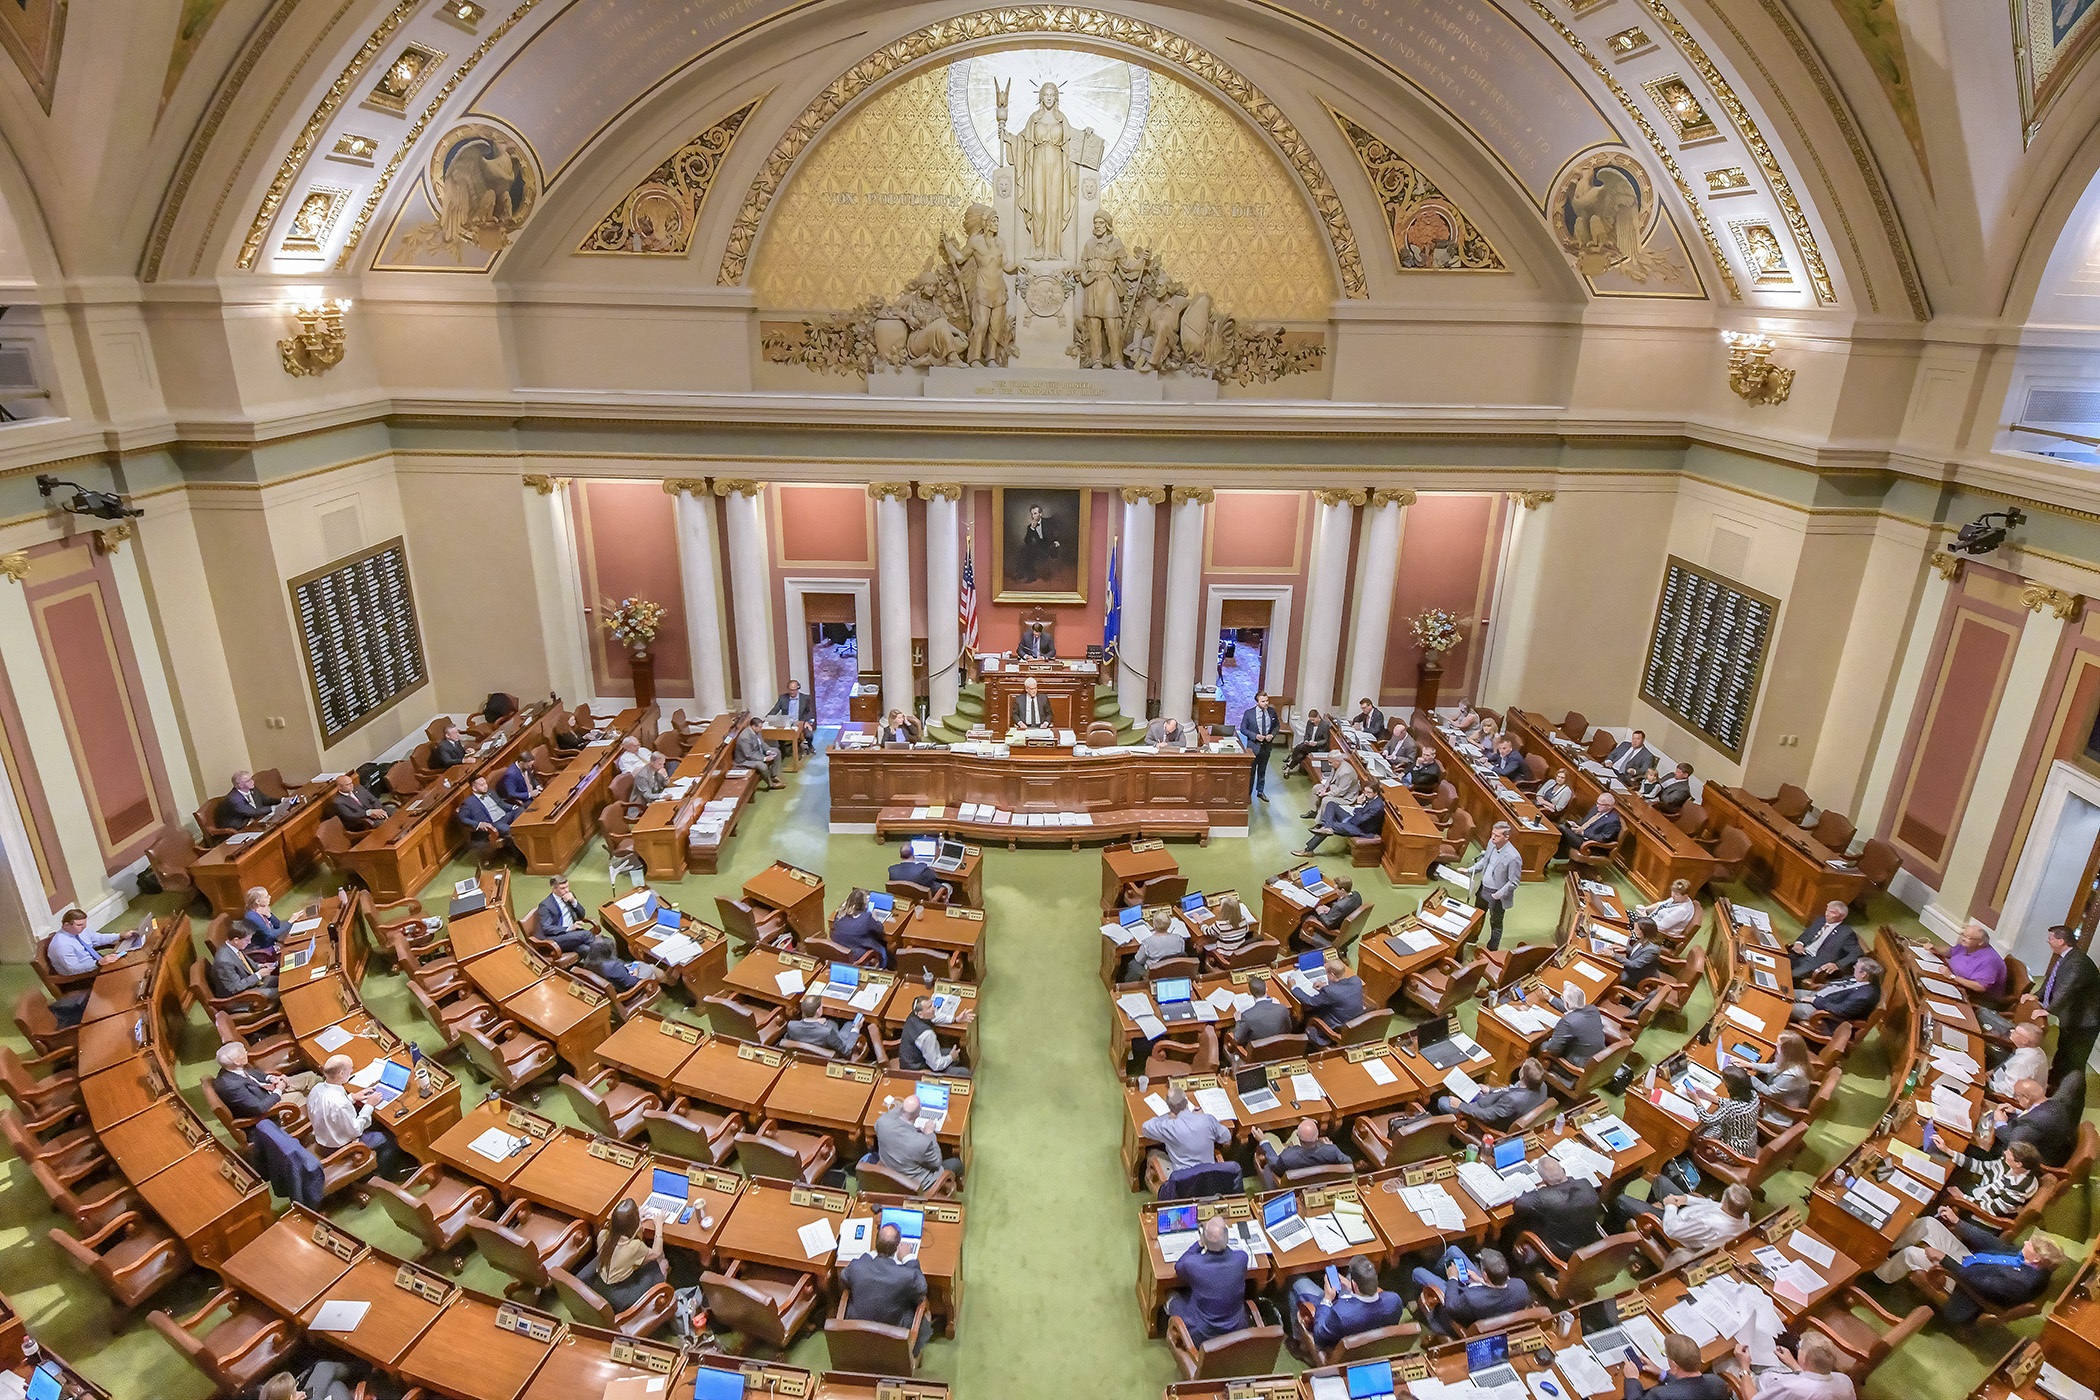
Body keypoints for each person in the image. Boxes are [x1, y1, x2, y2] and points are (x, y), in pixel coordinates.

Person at [1870, 1215, 2063, 1323]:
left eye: (2031, 1245)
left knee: (1912, 1254)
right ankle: (1885, 1247)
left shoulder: (2020, 1283)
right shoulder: (2031, 1262)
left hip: (1962, 1287)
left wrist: (1943, 1259)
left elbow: (1976, 1284)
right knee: (1929, 1223)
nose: (2027, 1242)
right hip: (1970, 1262)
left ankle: (1878, 1277)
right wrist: (1958, 1222)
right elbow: (1995, 1244)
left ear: (2037, 1259)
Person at [1659, 1069, 1758, 1195]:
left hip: (1734, 1151)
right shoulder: (1753, 1095)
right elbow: (1733, 1103)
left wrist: (1697, 1100)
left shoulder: (1731, 1108)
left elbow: (1709, 1119)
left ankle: (1686, 1157)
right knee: (1714, 1127)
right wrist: (1706, 1095)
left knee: (1698, 1135)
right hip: (1749, 1142)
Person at [1610, 1184, 1754, 1267]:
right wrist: (1686, 1199)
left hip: (1674, 1227)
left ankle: (1612, 1237)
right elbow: (1711, 1205)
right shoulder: (1742, 1215)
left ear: (1724, 1200)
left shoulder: (1710, 1224)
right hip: (1687, 1213)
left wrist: (1671, 1206)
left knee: (1622, 1201)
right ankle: (1649, 1208)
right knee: (1660, 1181)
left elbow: (1672, 1230)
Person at [842, 1222, 931, 1354]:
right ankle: (915, 1351)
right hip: (893, 1339)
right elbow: (921, 1288)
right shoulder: (906, 1275)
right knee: (924, 1306)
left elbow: (844, 1278)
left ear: (876, 1243)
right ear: (897, 1248)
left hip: (857, 1334)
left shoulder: (857, 1266)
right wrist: (908, 1258)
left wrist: (868, 1257)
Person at [1292, 1254, 1403, 1354]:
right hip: (1373, 1340)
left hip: (1338, 1338)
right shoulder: (1394, 1300)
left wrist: (1327, 1298)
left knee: (1297, 1281)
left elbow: (1320, 1334)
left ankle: (1300, 1342)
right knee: (1354, 1269)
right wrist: (1351, 1289)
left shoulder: (1340, 1315)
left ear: (1354, 1285)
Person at [1412, 1245, 1530, 1337]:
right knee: (1454, 1251)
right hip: (1483, 1294)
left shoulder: (1471, 1299)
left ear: (1485, 1274)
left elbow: (1451, 1305)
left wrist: (1452, 1278)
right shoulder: (1521, 1286)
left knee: (1418, 1272)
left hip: (1461, 1303)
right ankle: (1437, 1272)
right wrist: (1480, 1281)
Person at [1168, 1215, 1250, 1343]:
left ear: (1204, 1239)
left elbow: (1179, 1267)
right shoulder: (1241, 1258)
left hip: (1202, 1335)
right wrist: (1220, 1242)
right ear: (1227, 1238)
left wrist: (1200, 1243)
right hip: (1236, 1330)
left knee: (1172, 1295)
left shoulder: (1193, 1264)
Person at [307, 1054, 396, 1167]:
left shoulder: (317, 1089)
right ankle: (381, 1172)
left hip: (323, 1140)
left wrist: (353, 1097)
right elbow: (356, 1130)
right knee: (388, 1137)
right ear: (341, 1073)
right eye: (350, 1069)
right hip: (340, 1147)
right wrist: (369, 1105)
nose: (352, 1071)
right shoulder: (341, 1104)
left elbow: (329, 1110)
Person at [581, 1198, 668, 1312]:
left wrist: (634, 1220)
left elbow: (623, 1238)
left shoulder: (603, 1234)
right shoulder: (634, 1246)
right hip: (620, 1298)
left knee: (643, 1261)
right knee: (663, 1263)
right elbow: (656, 1252)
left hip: (600, 1287)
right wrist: (659, 1225)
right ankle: (660, 1302)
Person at [1509, 1156, 1603, 1261]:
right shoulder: (1585, 1184)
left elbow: (1519, 1204)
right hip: (1587, 1243)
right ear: (1564, 1170)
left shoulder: (1543, 1197)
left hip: (1559, 1253)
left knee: (1519, 1223)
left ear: (1543, 1180)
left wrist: (1540, 1189)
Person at [2040, 923, 2100, 1088]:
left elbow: (2066, 988)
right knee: (2063, 1053)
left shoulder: (2078, 962)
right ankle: (2053, 1083)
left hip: (2084, 1022)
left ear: (2061, 941)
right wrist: (2036, 997)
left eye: (2051, 938)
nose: (2048, 941)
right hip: (2073, 1018)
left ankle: (2066, 1092)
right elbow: (2051, 982)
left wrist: (2047, 1010)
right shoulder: (2067, 958)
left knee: (2074, 1060)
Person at [1968, 1078, 2077, 1168]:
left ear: (2026, 1098)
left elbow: (2013, 1143)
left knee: (1968, 1144)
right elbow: (2035, 1116)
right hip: (2050, 1147)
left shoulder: (2032, 1122)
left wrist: (2000, 1122)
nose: (2015, 1098)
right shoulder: (2055, 1103)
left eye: (2017, 1096)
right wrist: (2017, 1112)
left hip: (2025, 1160)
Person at [1452, 820, 1522, 951]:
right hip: (1483, 888)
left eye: (1497, 835)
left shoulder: (1513, 857)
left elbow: (1513, 882)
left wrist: (1497, 895)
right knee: (1478, 915)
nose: (1493, 837)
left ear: (1506, 837)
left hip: (1497, 895)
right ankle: (1473, 938)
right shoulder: (1491, 843)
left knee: (1495, 923)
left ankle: (1492, 950)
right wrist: (1469, 870)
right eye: (1492, 834)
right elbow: (1485, 862)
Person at [868, 1093, 964, 1188]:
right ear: (919, 1113)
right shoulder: (922, 1142)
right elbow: (936, 1163)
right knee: (956, 1163)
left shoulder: (881, 1123)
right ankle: (958, 1186)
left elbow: (891, 1120)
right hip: (917, 1185)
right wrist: (929, 1133)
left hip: (891, 1173)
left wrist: (912, 1127)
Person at [1728, 1333, 1855, 1400]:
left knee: (1725, 1363)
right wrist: (1793, 1364)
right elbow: (1815, 1380)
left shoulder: (1790, 1388)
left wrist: (1744, 1367)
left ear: (1804, 1358)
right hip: (1783, 1380)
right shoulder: (1844, 1381)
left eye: (1800, 1348)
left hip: (1762, 1390)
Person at [1141, 1085, 1230, 1176]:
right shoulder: (1207, 1119)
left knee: (1152, 1152)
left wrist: (1168, 1116)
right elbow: (1226, 1137)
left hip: (1184, 1181)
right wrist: (1200, 1116)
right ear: (1187, 1100)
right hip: (1209, 1178)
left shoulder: (1170, 1126)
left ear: (1169, 1107)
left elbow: (1145, 1128)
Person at [1437, 1057, 1548, 1128]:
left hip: (1486, 1118)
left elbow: (1487, 1116)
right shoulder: (1542, 1086)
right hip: (1495, 1104)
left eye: (1522, 1067)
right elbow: (1512, 1090)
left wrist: (1460, 1105)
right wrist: (1490, 1090)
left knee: (1443, 1101)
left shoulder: (1512, 1100)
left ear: (1522, 1075)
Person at [1949, 1140, 2045, 1222]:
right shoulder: (2007, 1163)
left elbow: (1993, 1209)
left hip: (1987, 1214)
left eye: (2009, 1153)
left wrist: (1963, 1197)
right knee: (1954, 1177)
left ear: (2019, 1164)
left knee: (1946, 1191)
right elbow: (1982, 1167)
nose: (2005, 1152)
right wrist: (1949, 1151)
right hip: (1982, 1192)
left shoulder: (2021, 1188)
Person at [214, 1041, 317, 1117]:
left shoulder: (229, 1069)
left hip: (267, 1088)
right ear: (237, 1061)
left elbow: (253, 1074)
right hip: (270, 1108)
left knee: (310, 1077)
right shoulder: (232, 1087)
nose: (246, 1052)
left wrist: (272, 1078)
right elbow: (260, 1108)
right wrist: (279, 1090)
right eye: (243, 1052)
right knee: (303, 1096)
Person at [1736, 1031, 1813, 1128]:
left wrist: (1748, 1077)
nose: (1776, 1049)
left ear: (1788, 1053)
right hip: (1781, 1098)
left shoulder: (1792, 1075)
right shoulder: (1797, 1060)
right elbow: (1775, 1067)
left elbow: (1769, 1092)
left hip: (1778, 1112)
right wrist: (1751, 1065)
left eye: (1779, 1048)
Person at [1621, 1332, 1728, 1400]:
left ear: (1674, 1364)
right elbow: (1687, 1386)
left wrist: (1632, 1379)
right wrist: (1662, 1374)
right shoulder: (1718, 1383)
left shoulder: (1660, 1395)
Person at [1789, 957, 1881, 1023]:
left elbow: (1839, 1010)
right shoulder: (1861, 979)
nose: (1854, 968)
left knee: (1785, 1008)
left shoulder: (1864, 996)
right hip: (1823, 996)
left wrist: (1815, 1000)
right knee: (1787, 992)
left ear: (1863, 974)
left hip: (1824, 1014)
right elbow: (1840, 985)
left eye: (1856, 967)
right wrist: (1823, 987)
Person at [1301, 951, 1364, 1046]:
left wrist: (1294, 987)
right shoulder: (1356, 981)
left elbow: (1310, 1001)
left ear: (1332, 975)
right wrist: (1327, 985)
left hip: (1336, 1027)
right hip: (1353, 1022)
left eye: (1326, 973)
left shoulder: (1330, 991)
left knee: (1306, 1013)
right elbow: (1341, 987)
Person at [1296, 791, 1385, 858]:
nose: (1365, 794)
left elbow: (1360, 820)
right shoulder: (1369, 798)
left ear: (1375, 793)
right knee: (1331, 804)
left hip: (1359, 828)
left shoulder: (1377, 806)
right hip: (1352, 819)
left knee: (1330, 827)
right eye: (1365, 792)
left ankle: (1308, 850)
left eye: (1368, 793)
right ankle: (1327, 827)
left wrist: (1358, 804)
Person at [1788, 900, 1862, 982]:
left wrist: (1837, 965)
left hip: (1814, 962)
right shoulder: (1820, 920)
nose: (1827, 914)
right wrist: (1799, 943)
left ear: (1842, 917)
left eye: (1832, 912)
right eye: (1827, 910)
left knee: (1789, 975)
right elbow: (1807, 934)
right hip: (1801, 953)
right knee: (1778, 962)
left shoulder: (1846, 933)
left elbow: (1856, 953)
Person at [1540, 984, 1608, 1067]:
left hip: (1580, 1065)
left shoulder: (1567, 1023)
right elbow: (1575, 1008)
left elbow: (1553, 1050)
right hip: (1599, 1056)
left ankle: (1539, 1072)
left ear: (1567, 1004)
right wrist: (1551, 998)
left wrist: (1552, 1041)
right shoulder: (1592, 1009)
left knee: (1543, 1046)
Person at [898, 996, 967, 1077]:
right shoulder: (927, 1035)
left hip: (913, 1059)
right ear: (920, 1014)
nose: (934, 1008)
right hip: (917, 1070)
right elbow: (936, 1065)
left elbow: (934, 1017)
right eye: (930, 1007)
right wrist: (951, 1057)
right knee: (964, 1072)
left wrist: (955, 1019)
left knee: (954, 1053)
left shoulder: (913, 1015)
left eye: (932, 1005)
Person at [210, 926, 278, 1003]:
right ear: (236, 940)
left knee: (281, 980)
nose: (249, 942)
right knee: (280, 991)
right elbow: (235, 987)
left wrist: (260, 966)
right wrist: (258, 975)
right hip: (239, 997)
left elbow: (245, 964)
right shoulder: (224, 962)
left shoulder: (233, 947)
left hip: (249, 983)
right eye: (247, 940)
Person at [45, 908, 120, 977]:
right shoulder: (61, 945)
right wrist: (98, 963)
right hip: (82, 976)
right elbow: (74, 969)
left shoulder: (79, 930)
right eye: (79, 925)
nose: (84, 927)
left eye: (84, 924)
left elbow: (99, 938)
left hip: (95, 964)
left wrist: (119, 936)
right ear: (66, 926)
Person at [533, 876, 597, 955]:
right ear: (554, 889)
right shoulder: (545, 905)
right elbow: (547, 928)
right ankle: (608, 961)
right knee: (587, 935)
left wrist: (573, 901)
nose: (566, 890)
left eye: (567, 886)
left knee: (586, 949)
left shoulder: (569, 896)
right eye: (562, 888)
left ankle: (602, 963)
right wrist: (569, 928)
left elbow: (582, 915)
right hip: (556, 937)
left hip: (572, 934)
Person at [459, 775, 519, 859]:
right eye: (482, 785)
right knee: (507, 829)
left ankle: (519, 828)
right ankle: (519, 855)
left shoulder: (491, 792)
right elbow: (463, 818)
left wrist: (513, 807)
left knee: (520, 810)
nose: (485, 786)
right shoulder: (469, 803)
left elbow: (502, 804)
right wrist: (478, 824)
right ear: (474, 788)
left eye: (485, 783)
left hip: (505, 816)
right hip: (493, 823)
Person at [783, 994, 862, 1057]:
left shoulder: (791, 1025)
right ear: (818, 1011)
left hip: (804, 1055)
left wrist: (816, 1022)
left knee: (831, 1023)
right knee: (849, 1024)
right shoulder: (827, 1032)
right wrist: (856, 1029)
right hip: (827, 1054)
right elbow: (846, 1051)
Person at [1296, 874, 1362, 949]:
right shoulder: (1357, 895)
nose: (1335, 891)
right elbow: (1345, 911)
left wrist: (1320, 912)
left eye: (1336, 889)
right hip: (1345, 924)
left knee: (1307, 917)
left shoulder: (1339, 906)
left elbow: (1328, 924)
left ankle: (1300, 945)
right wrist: (1331, 910)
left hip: (1335, 929)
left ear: (1342, 890)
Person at [1261, 1118, 1348, 1173]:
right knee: (1295, 1132)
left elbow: (1275, 1165)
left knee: (1269, 1136)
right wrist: (1326, 1147)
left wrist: (1263, 1141)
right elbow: (1347, 1163)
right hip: (1317, 1177)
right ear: (1317, 1136)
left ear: (1299, 1138)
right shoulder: (1332, 1151)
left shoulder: (1287, 1156)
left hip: (1292, 1177)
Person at [830, 889, 890, 967]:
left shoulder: (839, 915)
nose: (868, 900)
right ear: (863, 905)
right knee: (882, 950)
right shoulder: (866, 918)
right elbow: (880, 929)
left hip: (841, 951)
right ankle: (882, 970)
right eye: (866, 899)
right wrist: (874, 916)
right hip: (856, 954)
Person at [584, 935, 660, 996]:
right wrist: (634, 968)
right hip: (627, 989)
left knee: (636, 963)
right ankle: (668, 981)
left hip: (615, 982)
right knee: (652, 968)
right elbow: (633, 982)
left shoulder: (589, 960)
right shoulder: (614, 967)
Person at [1237, 692, 1280, 801]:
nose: (1266, 703)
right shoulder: (1249, 713)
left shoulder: (1272, 712)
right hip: (1253, 747)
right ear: (1257, 702)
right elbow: (1243, 729)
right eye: (1263, 701)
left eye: (1267, 700)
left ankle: (1260, 792)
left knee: (1262, 770)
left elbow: (1276, 726)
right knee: (1251, 772)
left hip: (1266, 747)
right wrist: (1255, 736)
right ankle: (1248, 794)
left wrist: (1272, 735)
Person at [1556, 792, 1622, 861]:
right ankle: (1555, 856)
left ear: (1610, 806)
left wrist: (1583, 833)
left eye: (1601, 804)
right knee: (1561, 826)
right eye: (1597, 803)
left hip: (1589, 844)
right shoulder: (1596, 809)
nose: (1597, 806)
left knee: (1561, 828)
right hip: (1580, 835)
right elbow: (1585, 823)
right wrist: (1576, 825)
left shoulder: (1613, 821)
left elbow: (1602, 838)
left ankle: (1556, 856)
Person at [1125, 908, 1187, 981]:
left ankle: (1129, 988)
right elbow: (1181, 954)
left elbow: (1138, 959)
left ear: (1154, 926)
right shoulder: (1179, 939)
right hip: (1173, 971)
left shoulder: (1148, 943)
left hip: (1153, 973)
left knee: (1133, 964)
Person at [1990, 1021, 2050, 1097]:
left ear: (2024, 1041)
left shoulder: (2021, 1063)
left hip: (2006, 1093)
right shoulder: (2037, 1050)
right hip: (2001, 1077)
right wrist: (1992, 1072)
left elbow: (2010, 1090)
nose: (2012, 1032)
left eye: (2016, 1032)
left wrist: (1988, 1083)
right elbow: (2008, 1063)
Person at [1232, 973, 1294, 1045]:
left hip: (1258, 1054)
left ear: (1250, 993)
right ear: (1266, 990)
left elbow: (1237, 1039)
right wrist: (1277, 1006)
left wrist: (1238, 1021)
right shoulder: (1282, 1008)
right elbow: (1289, 1029)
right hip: (1280, 1050)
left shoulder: (1247, 1015)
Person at [1301, 750, 1361, 819]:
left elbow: (1341, 791)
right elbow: (1330, 777)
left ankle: (1321, 821)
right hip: (1336, 788)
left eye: (1330, 762)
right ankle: (1313, 811)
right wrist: (1324, 788)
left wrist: (1326, 794)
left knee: (1326, 799)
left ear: (1337, 761)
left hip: (1346, 796)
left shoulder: (1346, 773)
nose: (1329, 764)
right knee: (1316, 788)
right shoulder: (1335, 765)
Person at [733, 715, 785, 790]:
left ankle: (773, 775)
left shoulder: (756, 731)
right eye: (760, 727)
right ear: (753, 726)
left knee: (776, 751)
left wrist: (768, 751)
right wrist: (764, 758)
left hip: (757, 753)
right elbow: (748, 755)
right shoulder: (745, 737)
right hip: (745, 760)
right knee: (762, 766)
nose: (761, 729)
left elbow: (761, 743)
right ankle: (771, 784)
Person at [769, 679, 816, 753]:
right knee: (778, 734)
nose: (792, 692)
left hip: (800, 721)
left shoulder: (805, 698)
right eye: (790, 690)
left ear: (798, 688)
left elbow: (810, 712)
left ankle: (810, 746)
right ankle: (783, 750)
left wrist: (806, 721)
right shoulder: (782, 698)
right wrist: (767, 718)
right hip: (787, 722)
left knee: (809, 734)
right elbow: (775, 709)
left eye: (794, 690)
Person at [1283, 709, 1333, 775]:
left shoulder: (1325, 726)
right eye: (1311, 720)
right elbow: (1307, 734)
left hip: (1318, 747)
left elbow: (1325, 741)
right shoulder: (1309, 723)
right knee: (1300, 756)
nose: (1312, 722)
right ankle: (1289, 767)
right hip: (1308, 744)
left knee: (1298, 748)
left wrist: (1316, 743)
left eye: (1313, 720)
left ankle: (1289, 764)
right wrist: (1306, 740)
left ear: (1318, 716)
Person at [1206, 893, 1255, 959]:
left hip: (1225, 957)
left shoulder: (1220, 925)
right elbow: (1246, 930)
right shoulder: (1243, 921)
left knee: (1204, 949)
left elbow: (1207, 931)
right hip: (1239, 954)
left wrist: (1200, 922)